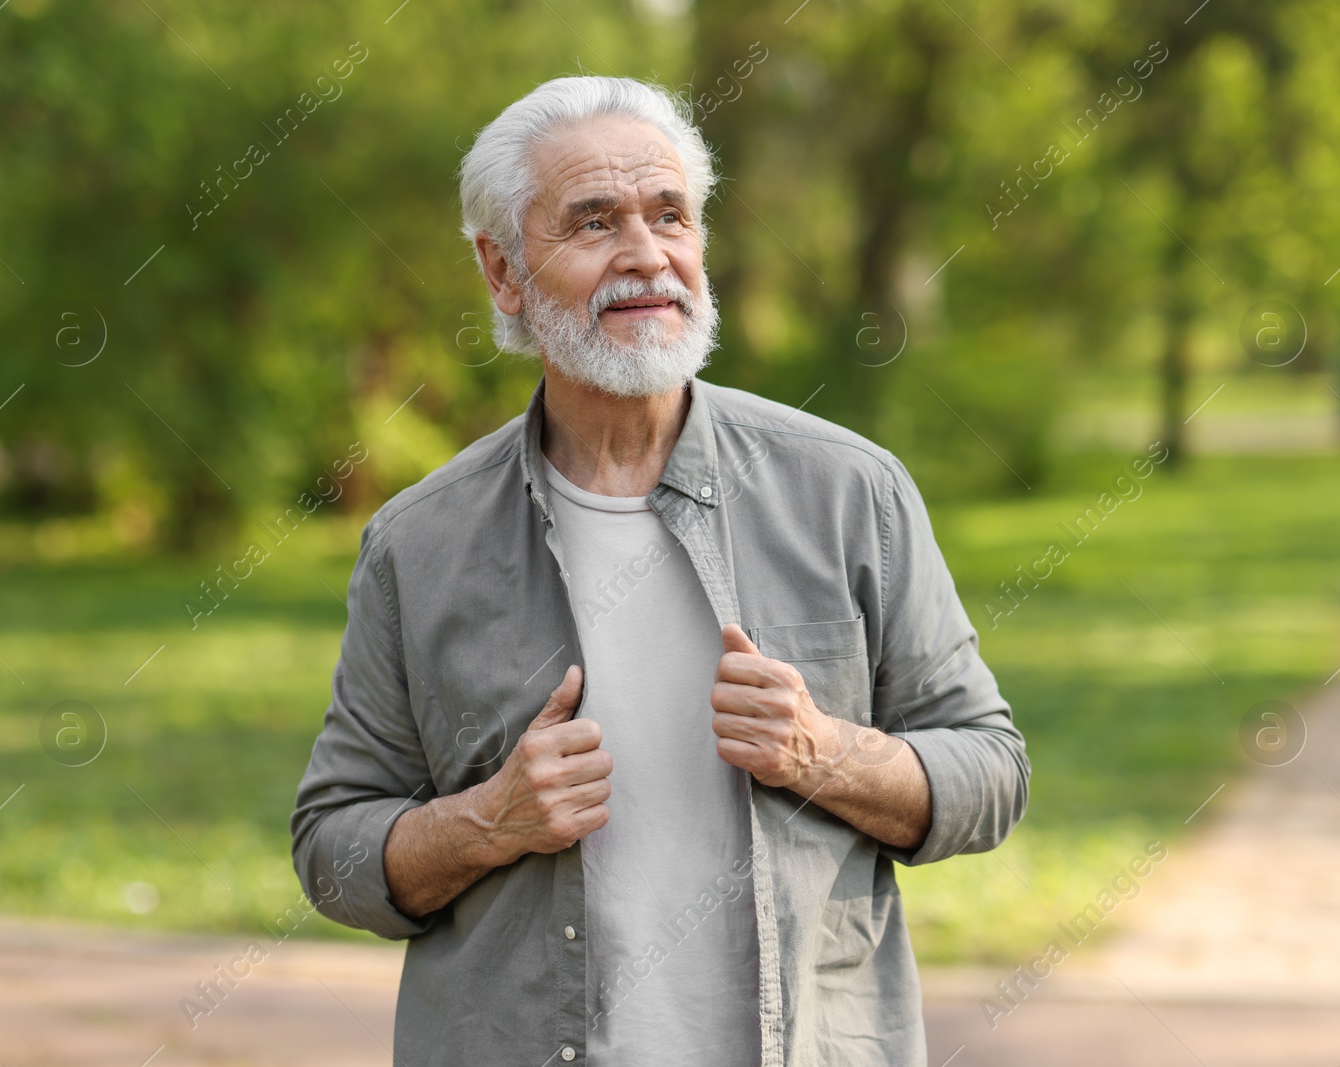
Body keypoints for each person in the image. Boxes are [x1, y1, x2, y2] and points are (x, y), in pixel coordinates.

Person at [291, 74, 1029, 1067]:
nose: (645, 256)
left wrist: (820, 752)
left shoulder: (850, 491)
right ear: (502, 271)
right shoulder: (417, 543)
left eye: (670, 214)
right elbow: (332, 847)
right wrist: (484, 821)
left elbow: (990, 770)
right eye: (594, 222)